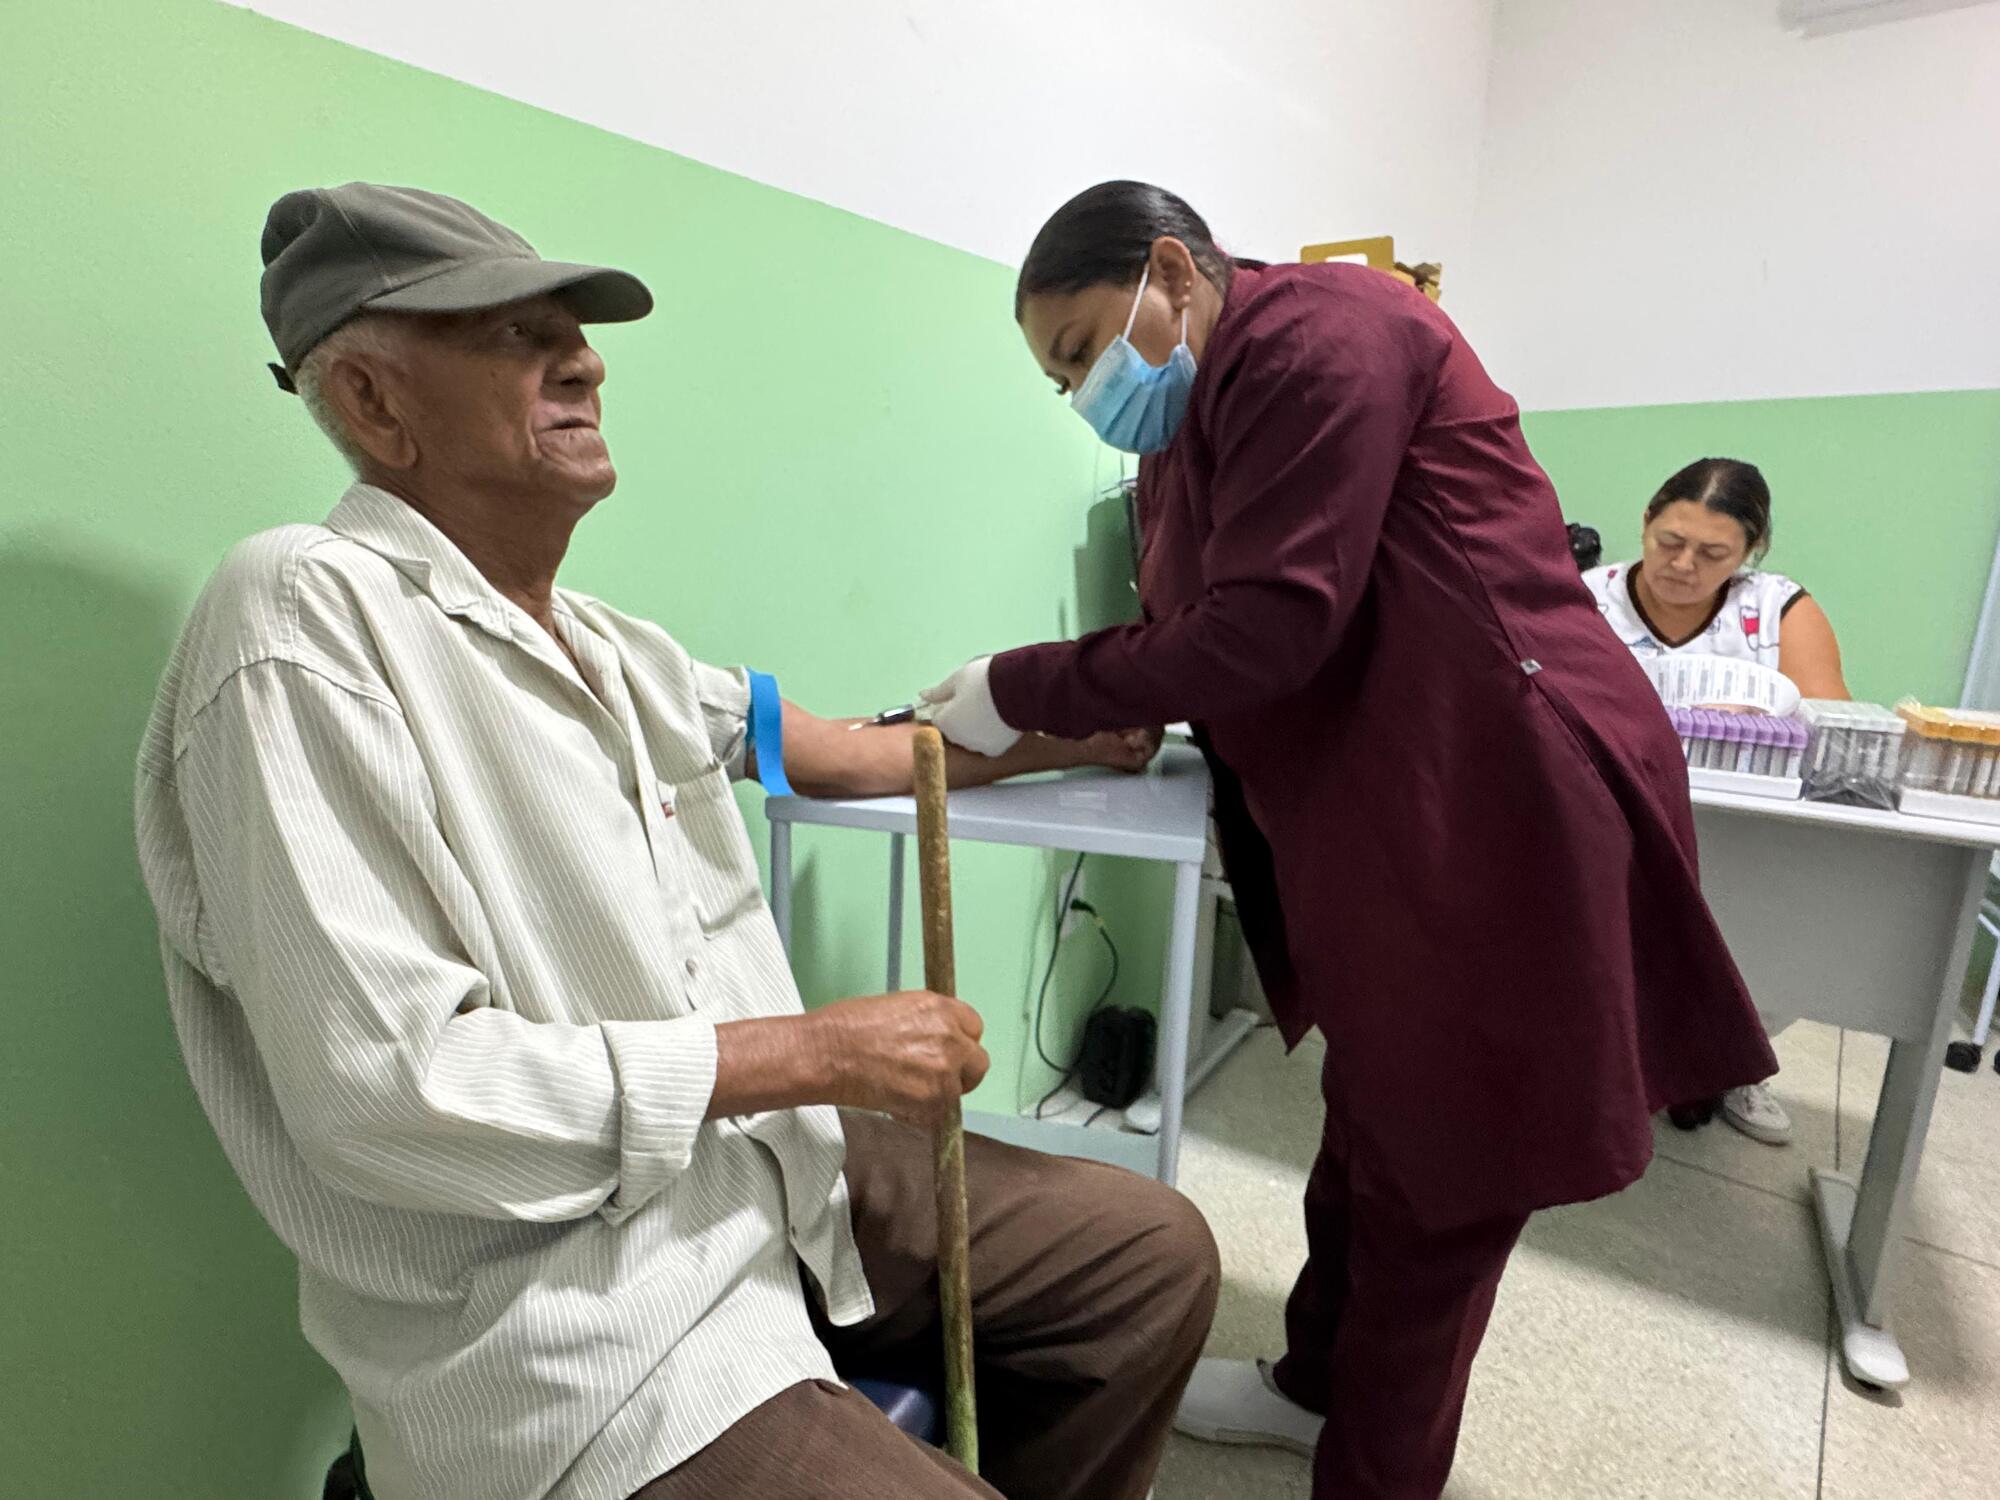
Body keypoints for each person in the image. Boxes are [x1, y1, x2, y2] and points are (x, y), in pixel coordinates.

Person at [133, 183, 1217, 1500]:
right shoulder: (298, 624)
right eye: (515, 337)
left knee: (1149, 1258)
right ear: (370, 401)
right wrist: (812, 1051)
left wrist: (1068, 736)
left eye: (572, 331)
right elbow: (384, 1097)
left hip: (759, 1174)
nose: (584, 358)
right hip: (577, 1320)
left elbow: (862, 745)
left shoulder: (610, 646)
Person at [918, 181, 1776, 1500]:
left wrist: (1020, 684)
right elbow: (1196, 634)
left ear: (1170, 269)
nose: (1085, 391)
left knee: (1447, 1177)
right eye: (1060, 380)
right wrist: (1095, 703)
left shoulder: (1326, 332)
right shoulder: (1191, 429)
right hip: (1398, 804)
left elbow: (1270, 628)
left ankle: (1374, 1471)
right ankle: (1312, 1385)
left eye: (1085, 349)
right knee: (1371, 1123)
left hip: (1506, 797)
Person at [1583, 456, 1851, 1144]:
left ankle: (1734, 1064)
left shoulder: (1777, 609)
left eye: (1713, 554)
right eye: (1668, 541)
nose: (1682, 565)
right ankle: (1597, 1060)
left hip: (1750, 828)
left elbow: (1833, 732)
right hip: (1613, 815)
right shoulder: (1588, 598)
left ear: (1751, 553)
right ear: (1644, 521)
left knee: (1780, 924)